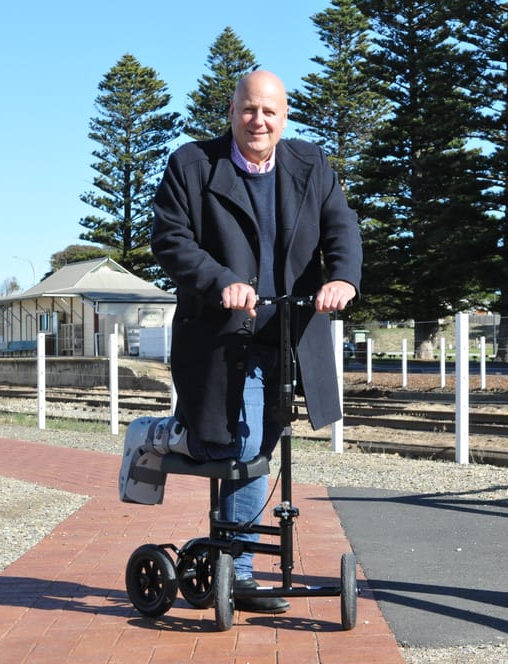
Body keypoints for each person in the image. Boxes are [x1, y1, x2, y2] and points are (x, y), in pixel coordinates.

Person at [150, 70, 362, 612]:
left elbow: (341, 227)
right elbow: (170, 239)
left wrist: (342, 277)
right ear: (231, 112)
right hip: (222, 337)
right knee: (240, 445)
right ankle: (173, 441)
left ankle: (234, 565)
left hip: (287, 336)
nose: (258, 120)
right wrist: (221, 282)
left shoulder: (311, 164)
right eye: (248, 109)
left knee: (262, 448)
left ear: (285, 116)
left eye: (269, 111)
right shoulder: (192, 165)